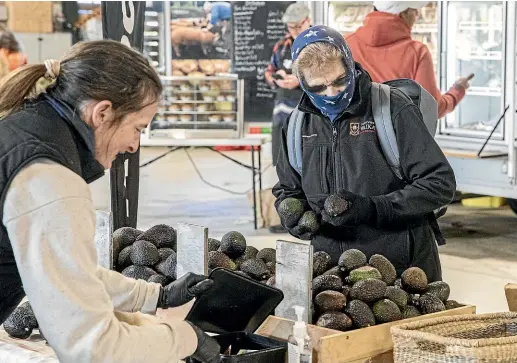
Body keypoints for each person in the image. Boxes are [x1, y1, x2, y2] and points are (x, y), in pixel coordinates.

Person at [0, 40, 220, 363]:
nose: (134, 146)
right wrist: (184, 338)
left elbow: (71, 271)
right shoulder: (48, 178)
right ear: (102, 112)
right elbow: (92, 348)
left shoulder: (27, 131)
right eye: (138, 128)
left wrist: (156, 296)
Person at [273, 25, 456, 282]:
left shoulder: (392, 109)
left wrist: (373, 208)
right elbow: (287, 189)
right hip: (333, 276)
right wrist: (290, 213)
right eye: (318, 87)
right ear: (302, 83)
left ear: (349, 64)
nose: (332, 93)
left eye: (339, 80)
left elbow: (439, 184)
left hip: (402, 268)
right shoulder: (295, 126)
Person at [345, 1, 473, 118]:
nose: (417, 15)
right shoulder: (417, 52)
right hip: (395, 141)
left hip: (352, 139)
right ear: (402, 13)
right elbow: (431, 109)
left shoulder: (345, 43)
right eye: (414, 10)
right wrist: (456, 91)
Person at [264, 2, 311, 234]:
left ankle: (310, 216)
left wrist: (299, 81)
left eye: (295, 27)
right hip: (281, 115)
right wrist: (277, 80)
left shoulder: (316, 44)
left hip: (307, 116)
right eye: (290, 27)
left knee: (308, 163)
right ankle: (289, 217)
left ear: (307, 21)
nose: (292, 31)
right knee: (283, 165)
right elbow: (268, 70)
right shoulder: (282, 46)